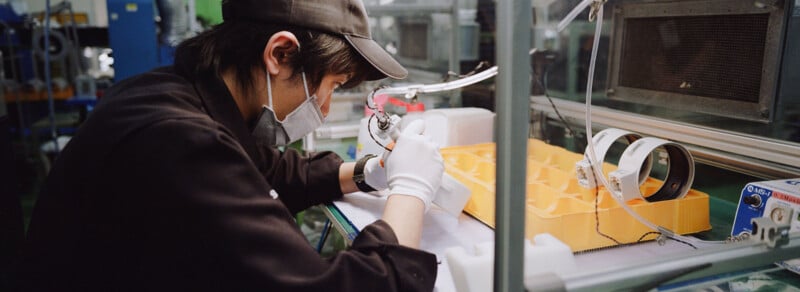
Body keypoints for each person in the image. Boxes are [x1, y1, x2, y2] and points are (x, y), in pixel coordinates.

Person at [15, 0, 445, 290]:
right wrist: (409, 193)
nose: (327, 109)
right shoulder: (176, 139)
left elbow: (273, 172)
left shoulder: (184, 95)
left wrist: (368, 173)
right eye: (330, 86)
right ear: (279, 54)